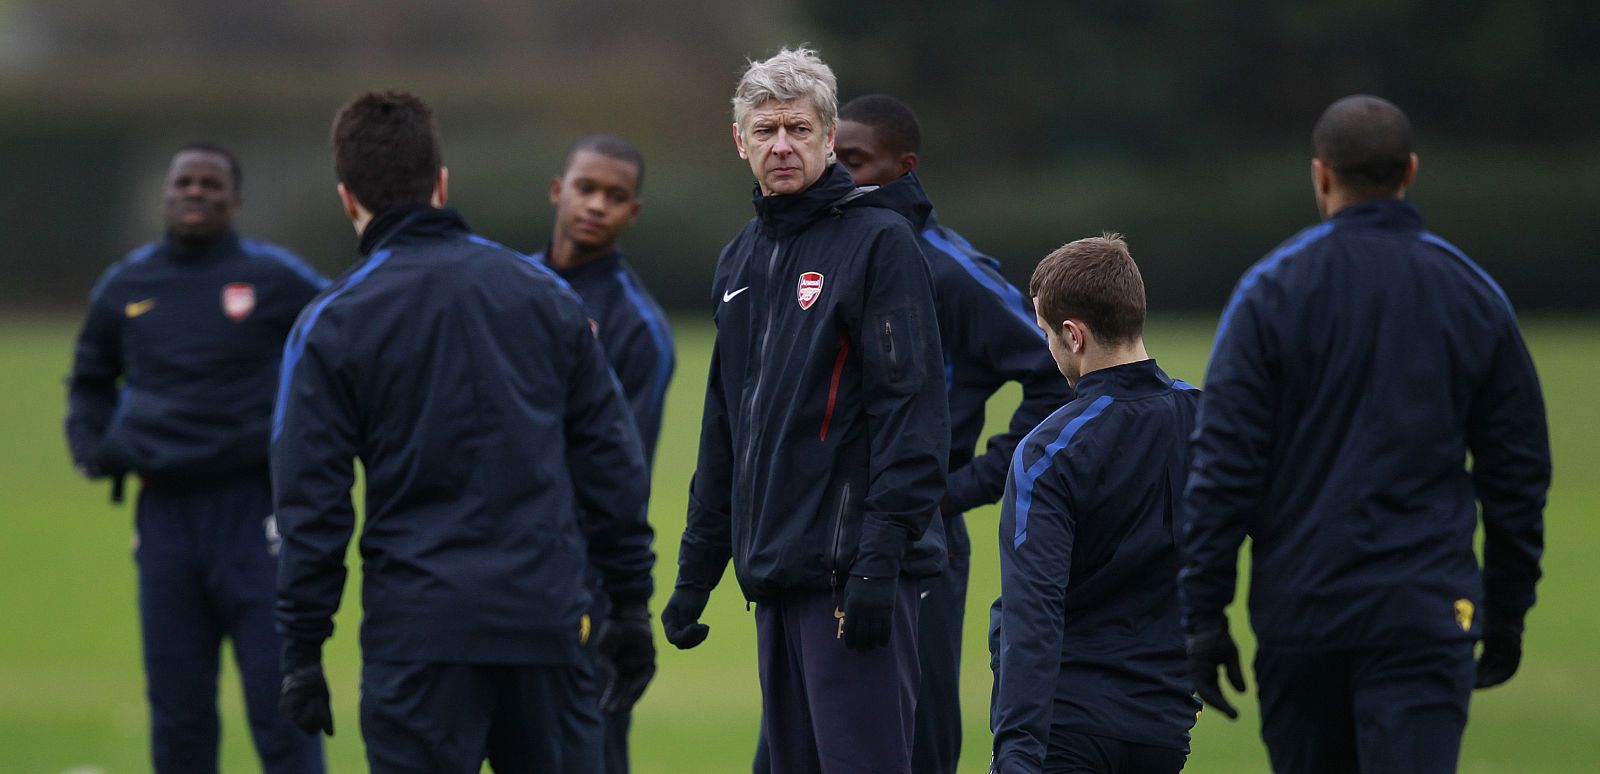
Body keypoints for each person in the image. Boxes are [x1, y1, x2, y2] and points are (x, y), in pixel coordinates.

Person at [270, 91, 656, 773]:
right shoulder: (546, 296)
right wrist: (629, 607)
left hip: (419, 638)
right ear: (441, 184)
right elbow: (612, 462)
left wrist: (302, 648)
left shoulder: (331, 321)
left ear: (346, 197)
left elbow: (312, 502)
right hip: (547, 627)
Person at [1181, 95, 1551, 773]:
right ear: (1410, 171)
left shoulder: (1268, 293)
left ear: (1321, 176)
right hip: (1425, 613)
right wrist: (1506, 608)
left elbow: (1223, 470)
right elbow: (1517, 471)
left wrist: (1203, 615)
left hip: (1302, 617)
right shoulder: (1472, 293)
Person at [661, 47, 950, 774]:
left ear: (828, 137)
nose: (781, 145)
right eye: (765, 130)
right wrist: (696, 574)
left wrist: (880, 560)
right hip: (775, 580)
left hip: (852, 581)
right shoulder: (739, 260)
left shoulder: (879, 243)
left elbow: (910, 414)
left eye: (797, 128)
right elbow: (726, 427)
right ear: (740, 142)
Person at [64, 143, 328, 773]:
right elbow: (90, 376)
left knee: (281, 704)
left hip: (253, 514)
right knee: (178, 711)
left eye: (212, 184)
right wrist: (96, 451)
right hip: (166, 517)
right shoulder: (128, 285)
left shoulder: (276, 279)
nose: (196, 193)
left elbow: (343, 339)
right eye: (185, 182)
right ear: (167, 192)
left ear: (235, 200)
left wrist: (314, 444)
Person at [989, 234, 1201, 773]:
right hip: (1164, 727)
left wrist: (1015, 754)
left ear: (1073, 334)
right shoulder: (1209, 422)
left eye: (1046, 336)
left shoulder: (1049, 451)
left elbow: (1031, 613)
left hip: (1069, 728)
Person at [532, 133, 675, 774]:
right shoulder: (505, 288)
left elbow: (622, 468)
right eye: (586, 189)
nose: (596, 205)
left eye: (614, 197)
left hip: (578, 574)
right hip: (491, 563)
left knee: (586, 748)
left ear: (633, 213)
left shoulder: (636, 327)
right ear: (559, 190)